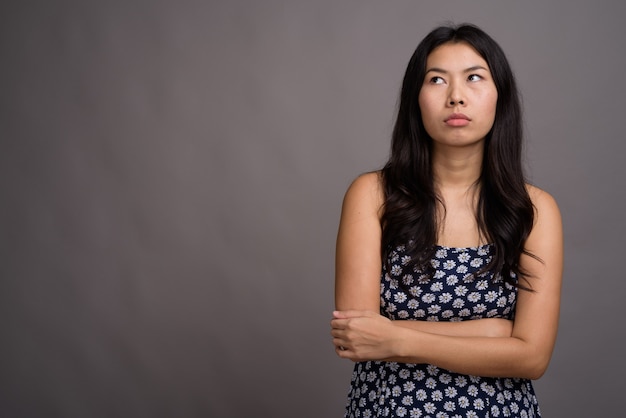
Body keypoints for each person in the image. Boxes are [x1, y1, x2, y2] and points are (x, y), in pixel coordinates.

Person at [330, 24, 563, 418]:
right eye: (436, 80)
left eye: (474, 78)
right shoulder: (372, 195)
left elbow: (533, 358)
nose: (456, 96)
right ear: (415, 100)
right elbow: (358, 338)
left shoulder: (534, 210)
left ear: (499, 97)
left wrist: (397, 337)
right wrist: (493, 331)